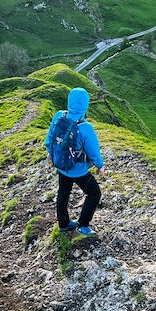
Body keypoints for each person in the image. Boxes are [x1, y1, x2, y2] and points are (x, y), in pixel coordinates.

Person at [45, 87, 105, 236]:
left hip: (61, 165)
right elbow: (93, 151)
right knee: (94, 194)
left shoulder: (59, 115)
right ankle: (83, 225)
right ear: (85, 105)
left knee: (63, 194)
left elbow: (50, 138)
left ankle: (63, 224)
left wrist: (52, 155)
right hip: (78, 170)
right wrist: (100, 166)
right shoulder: (85, 127)